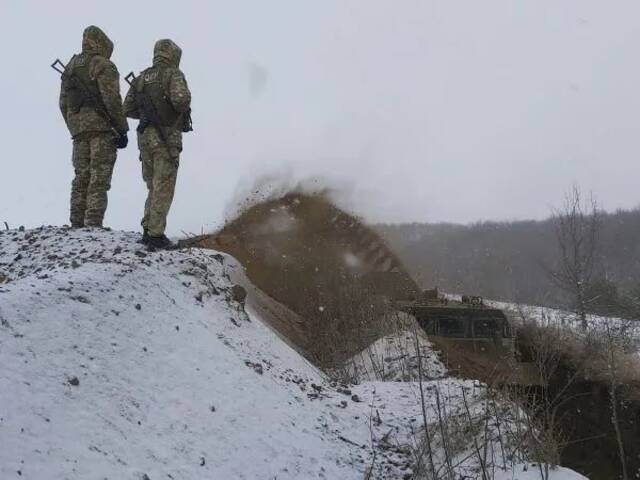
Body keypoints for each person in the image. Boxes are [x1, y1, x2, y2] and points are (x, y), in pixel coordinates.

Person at [123, 39, 192, 249]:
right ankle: (155, 235)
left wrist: (148, 115)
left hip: (145, 137)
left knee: (153, 185)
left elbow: (127, 108)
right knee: (164, 185)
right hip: (166, 137)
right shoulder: (173, 74)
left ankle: (148, 228)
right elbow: (181, 100)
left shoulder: (142, 77)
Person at [59, 25, 129, 228]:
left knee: (81, 176)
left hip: (79, 131)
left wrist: (74, 125)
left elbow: (63, 103)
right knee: (99, 176)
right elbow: (112, 100)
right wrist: (122, 128)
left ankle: (76, 224)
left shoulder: (70, 67)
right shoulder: (103, 64)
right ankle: (93, 225)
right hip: (101, 129)